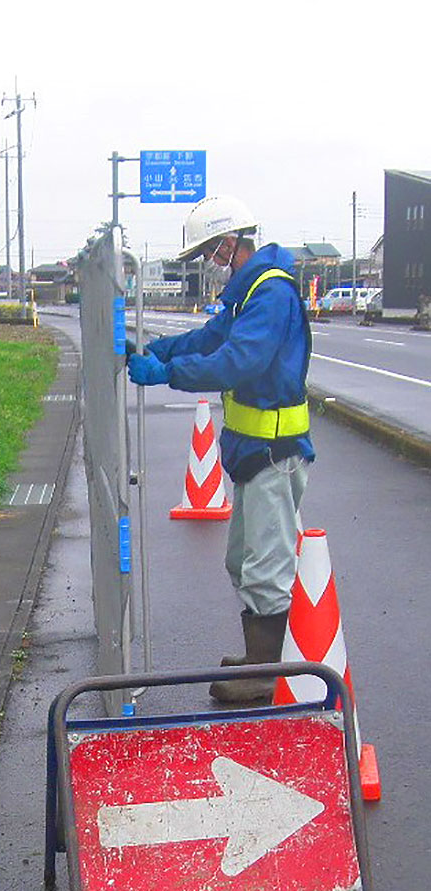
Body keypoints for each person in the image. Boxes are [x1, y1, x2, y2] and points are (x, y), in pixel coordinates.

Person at [128, 195, 314, 703]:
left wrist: (168, 374)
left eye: (211, 254)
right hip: (253, 453)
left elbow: (239, 360)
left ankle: (261, 674)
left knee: (266, 567)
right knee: (242, 562)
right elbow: (212, 338)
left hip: (274, 451)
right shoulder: (247, 293)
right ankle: (259, 659)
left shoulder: (270, 293)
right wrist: (160, 349)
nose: (210, 266)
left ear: (231, 245)